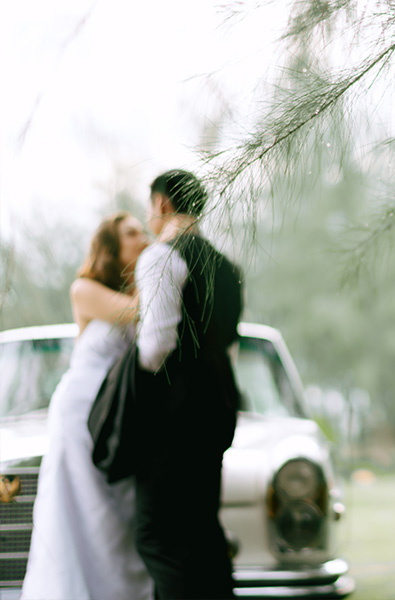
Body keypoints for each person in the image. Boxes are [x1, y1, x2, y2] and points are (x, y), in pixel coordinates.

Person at [20, 212, 154, 600]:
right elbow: (137, 312)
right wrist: (159, 257)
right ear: (110, 248)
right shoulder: (85, 289)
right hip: (80, 415)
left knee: (117, 517)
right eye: (131, 233)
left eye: (142, 230)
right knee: (83, 512)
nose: (142, 237)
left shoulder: (141, 287)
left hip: (121, 418)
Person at [132, 169, 243, 599]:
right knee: (202, 530)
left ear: (162, 204)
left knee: (156, 535)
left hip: (172, 417)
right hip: (217, 408)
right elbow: (229, 342)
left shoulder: (160, 256)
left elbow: (155, 346)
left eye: (148, 208)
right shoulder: (228, 266)